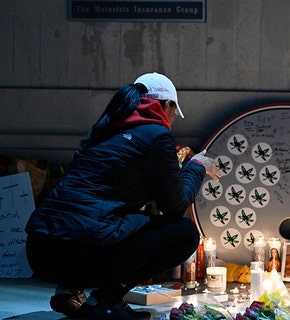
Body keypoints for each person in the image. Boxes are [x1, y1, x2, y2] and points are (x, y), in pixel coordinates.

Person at [25, 72, 221, 320]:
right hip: (80, 254)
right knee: (184, 233)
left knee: (112, 218)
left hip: (40, 251)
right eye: (173, 112)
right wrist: (196, 166)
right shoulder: (156, 134)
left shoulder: (103, 129)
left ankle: (71, 291)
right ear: (167, 106)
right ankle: (105, 300)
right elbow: (175, 206)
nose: (172, 121)